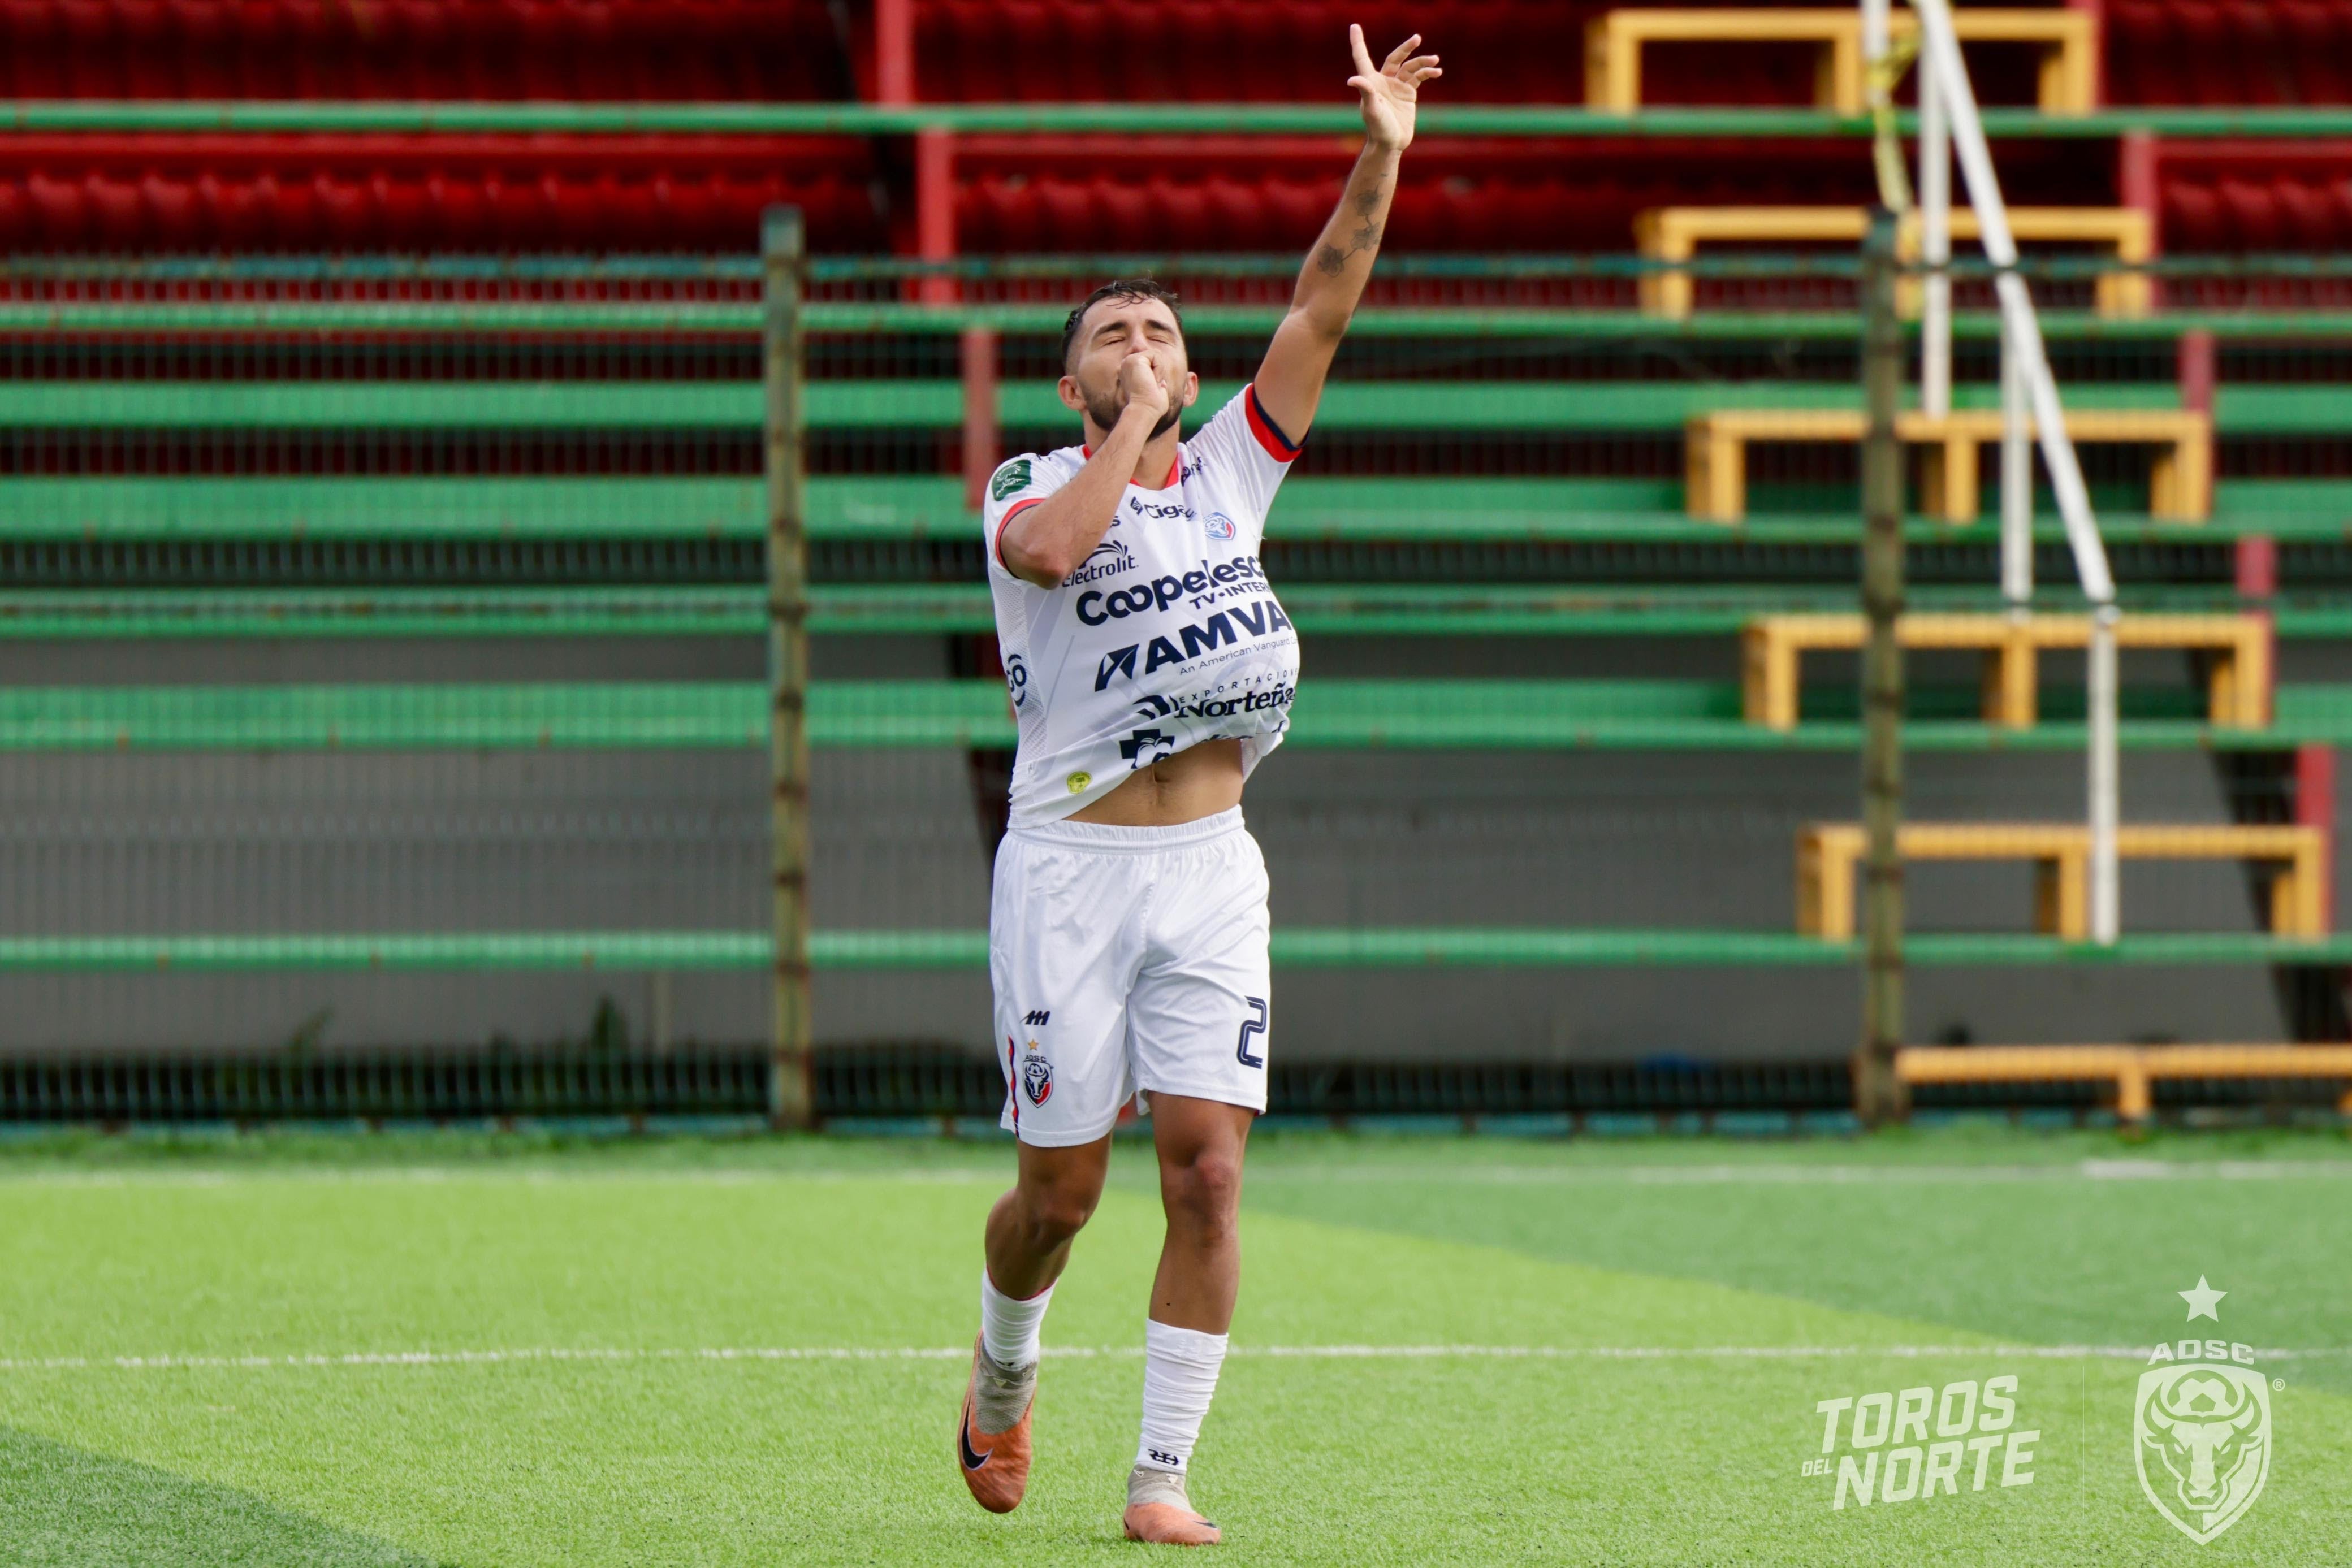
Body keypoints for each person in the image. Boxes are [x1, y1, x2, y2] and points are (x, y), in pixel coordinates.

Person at [954, 24, 1440, 1548]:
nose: (1145, 348)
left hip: (1214, 864)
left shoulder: (1236, 469)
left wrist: (1384, 152)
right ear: (1072, 376)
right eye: (1116, 336)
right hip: (1071, 870)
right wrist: (1141, 435)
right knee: (1060, 1196)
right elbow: (1052, 556)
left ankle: (1160, 1476)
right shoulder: (1033, 485)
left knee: (1211, 1174)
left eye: (1163, 333)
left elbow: (1326, 295)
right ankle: (1003, 1371)